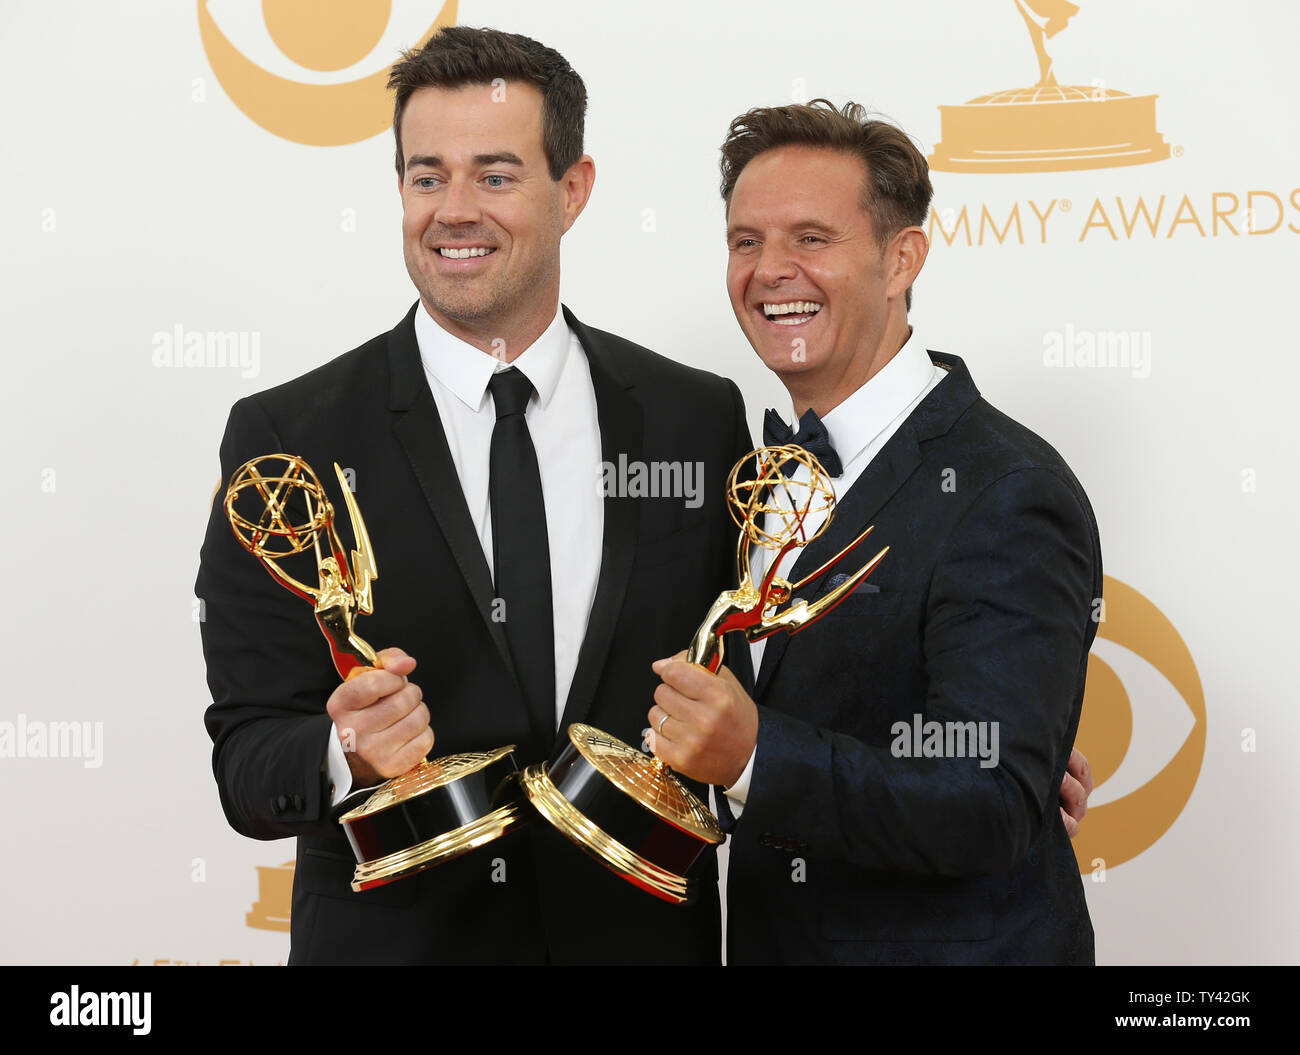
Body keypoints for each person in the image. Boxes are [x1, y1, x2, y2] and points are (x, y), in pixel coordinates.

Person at [196, 26, 748, 964]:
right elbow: (246, 757)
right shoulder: (290, 436)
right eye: (425, 176)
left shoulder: (695, 417)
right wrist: (343, 755)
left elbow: (761, 672)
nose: (453, 210)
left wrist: (1001, 756)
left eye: (494, 176)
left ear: (572, 191)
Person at [648, 100, 1100, 964]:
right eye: (746, 241)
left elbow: (991, 801)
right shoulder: (757, 473)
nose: (771, 270)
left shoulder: (1008, 488)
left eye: (811, 238)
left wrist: (757, 758)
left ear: (902, 259)